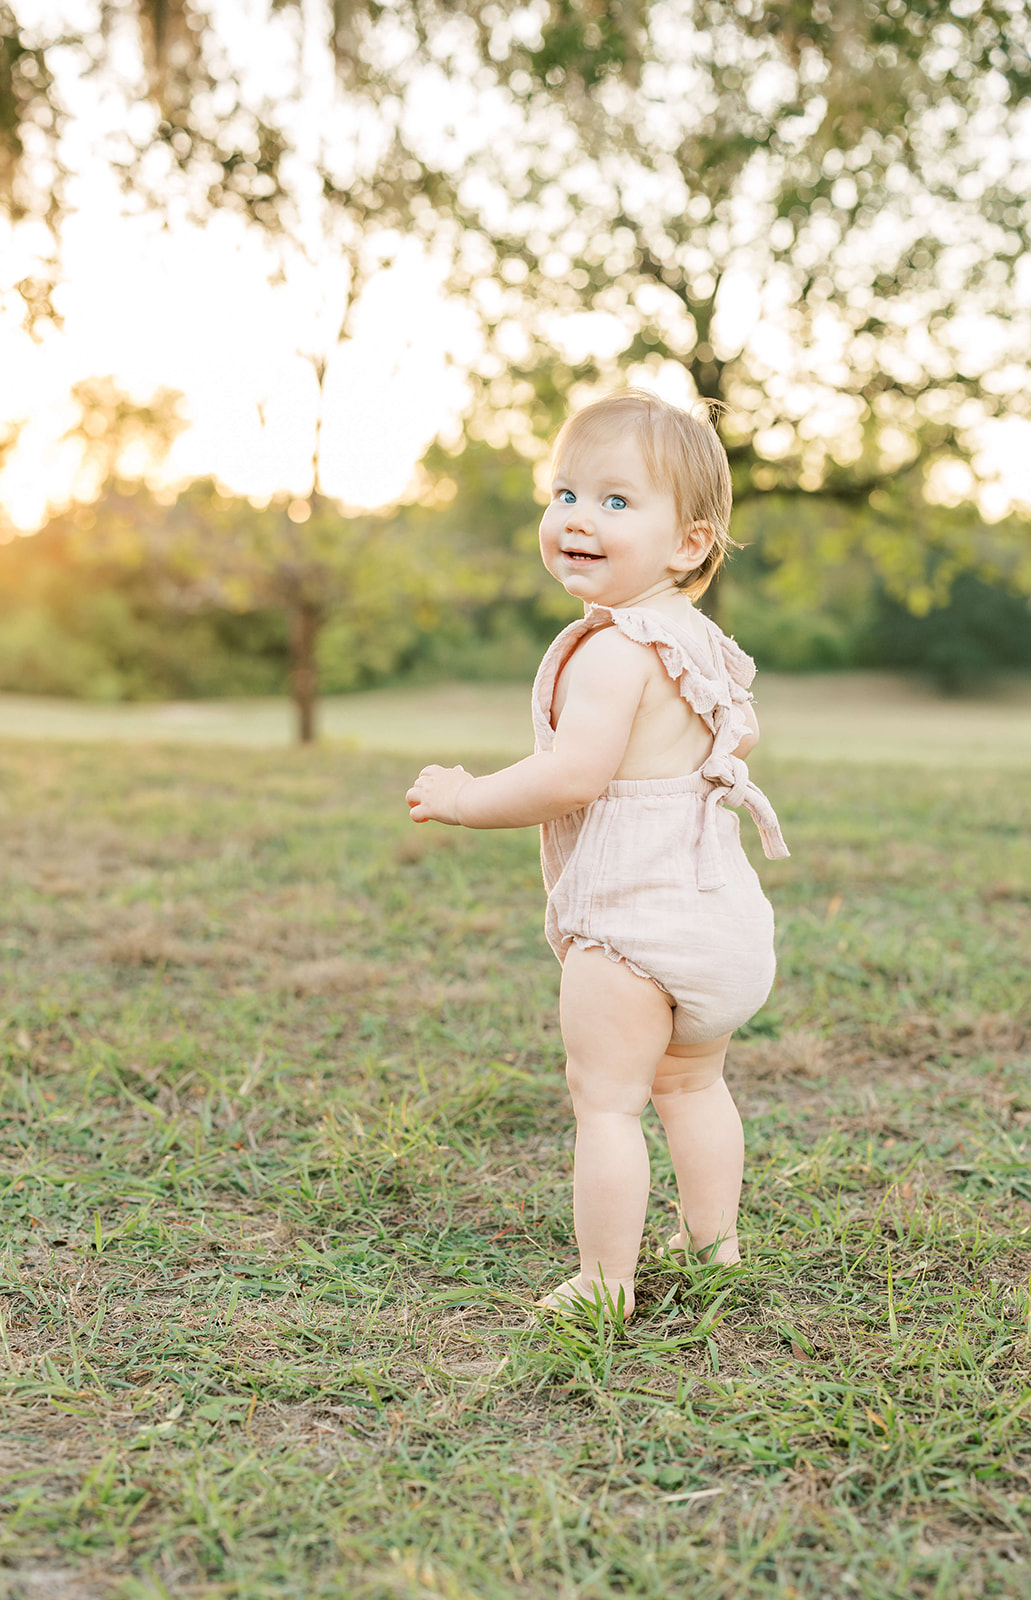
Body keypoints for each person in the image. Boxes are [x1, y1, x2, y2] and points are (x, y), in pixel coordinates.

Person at [406, 391, 788, 1319]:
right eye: (565, 492)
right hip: (721, 920)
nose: (578, 517)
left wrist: (463, 798)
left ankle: (603, 1285)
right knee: (693, 1084)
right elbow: (723, 749)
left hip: (632, 928)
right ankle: (715, 1246)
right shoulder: (703, 648)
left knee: (608, 1103)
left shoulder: (614, 652)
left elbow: (571, 776)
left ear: (688, 544)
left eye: (617, 502)